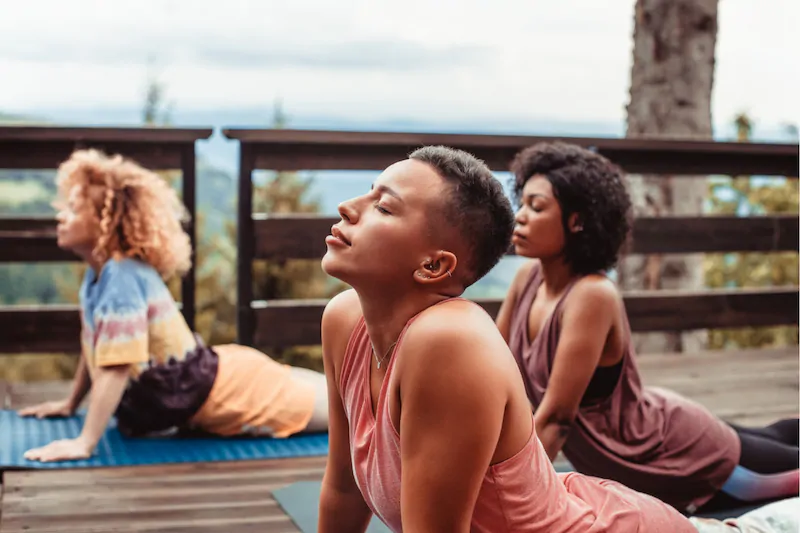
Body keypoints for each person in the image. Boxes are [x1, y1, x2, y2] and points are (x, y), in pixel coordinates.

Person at [313, 144, 788, 533]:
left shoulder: (448, 339)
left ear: (434, 266)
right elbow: (344, 490)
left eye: (384, 206)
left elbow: (556, 414)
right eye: (367, 192)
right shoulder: (344, 321)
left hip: (662, 459)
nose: (347, 207)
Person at [495, 141, 799, 516]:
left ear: (577, 221)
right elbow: (494, 373)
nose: (520, 216)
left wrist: (504, 499)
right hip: (651, 435)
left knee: (787, 462)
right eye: (521, 202)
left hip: (672, 454)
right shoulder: (527, 279)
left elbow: (557, 420)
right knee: (781, 436)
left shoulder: (592, 295)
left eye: (536, 207)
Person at [18, 149, 328, 463]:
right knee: (342, 394)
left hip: (228, 394)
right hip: (216, 376)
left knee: (345, 406)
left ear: (104, 221)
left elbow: (118, 366)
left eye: (73, 209)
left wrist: (85, 442)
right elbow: (98, 345)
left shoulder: (121, 278)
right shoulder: (100, 275)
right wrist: (71, 403)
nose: (60, 215)